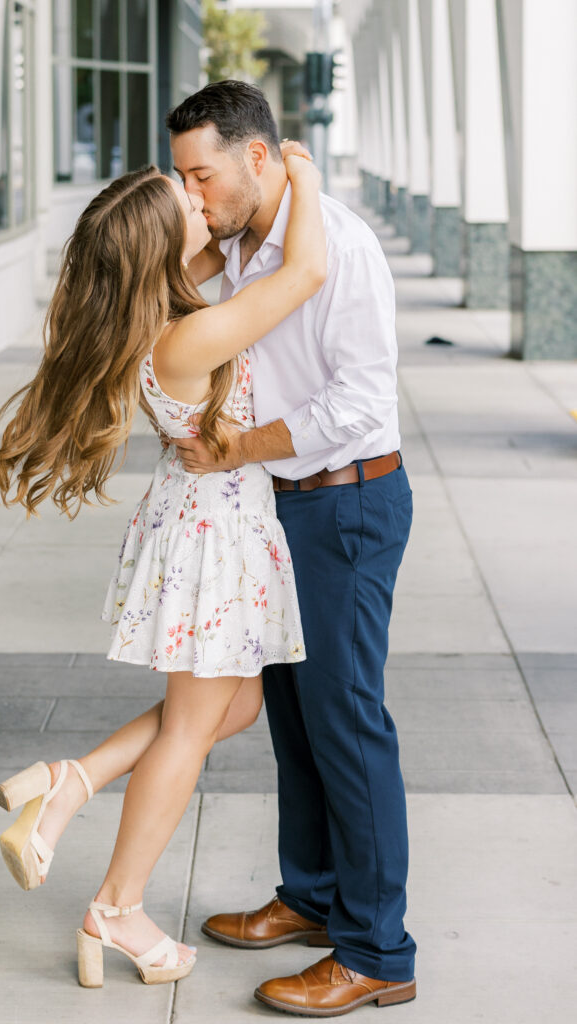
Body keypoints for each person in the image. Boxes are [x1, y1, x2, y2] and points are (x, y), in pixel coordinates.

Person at [0, 150, 326, 989]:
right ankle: (118, 907)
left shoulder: (163, 312)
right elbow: (308, 270)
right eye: (187, 198)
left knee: (233, 705)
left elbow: (206, 253)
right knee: (188, 730)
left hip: (202, 523)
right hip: (213, 535)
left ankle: (72, 781)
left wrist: (198, 229)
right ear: (163, 244)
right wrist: (300, 171)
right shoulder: (194, 333)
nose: (202, 202)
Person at [166, 80, 417, 1017]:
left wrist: (238, 448)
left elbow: (356, 406)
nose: (195, 194)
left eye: (205, 175)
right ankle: (311, 897)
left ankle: (377, 949)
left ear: (261, 156)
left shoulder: (337, 248)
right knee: (294, 719)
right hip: (280, 510)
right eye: (183, 178)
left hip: (345, 505)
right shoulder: (236, 249)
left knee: (348, 726)